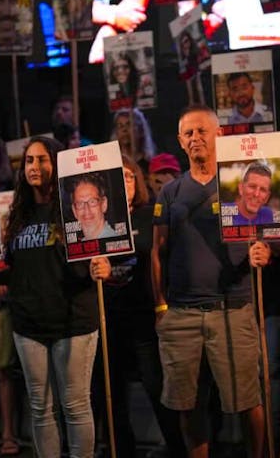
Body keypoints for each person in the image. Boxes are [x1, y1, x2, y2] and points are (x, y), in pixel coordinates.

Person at [0, 137, 112, 458]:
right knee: (40, 407)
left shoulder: (74, 208)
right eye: (30, 160)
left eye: (43, 160)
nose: (35, 166)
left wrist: (102, 267)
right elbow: (17, 270)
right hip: (28, 325)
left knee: (75, 405)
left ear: (57, 164)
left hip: (73, 321)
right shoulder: (19, 214)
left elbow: (97, 252)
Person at [151, 105, 266, 458]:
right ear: (180, 141)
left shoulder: (240, 184)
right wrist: (161, 306)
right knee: (188, 403)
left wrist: (264, 251)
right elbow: (157, 251)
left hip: (233, 308)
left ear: (219, 134)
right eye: (188, 133)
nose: (195, 138)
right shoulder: (170, 192)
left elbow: (271, 232)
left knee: (247, 400)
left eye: (202, 130)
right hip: (182, 313)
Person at [91, 155, 186, 458]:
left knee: (158, 390)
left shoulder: (150, 214)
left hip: (146, 316)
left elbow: (165, 257)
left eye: (129, 176)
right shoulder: (95, 221)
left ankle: (177, 449)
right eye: (116, 178)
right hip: (108, 318)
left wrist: (163, 307)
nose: (124, 183)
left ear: (139, 181)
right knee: (111, 395)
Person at [67, 172, 118, 241]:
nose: (86, 210)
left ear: (104, 204)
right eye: (80, 204)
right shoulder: (79, 245)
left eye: (92, 202)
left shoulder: (115, 241)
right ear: (74, 211)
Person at [222, 161, 275, 226]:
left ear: (267, 197)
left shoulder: (271, 216)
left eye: (263, 190)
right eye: (252, 186)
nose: (256, 194)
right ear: (241, 188)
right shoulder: (223, 212)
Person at [110, 108, 157, 175]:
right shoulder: (112, 163)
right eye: (120, 126)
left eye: (129, 124)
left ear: (141, 130)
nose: (124, 129)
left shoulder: (150, 164)